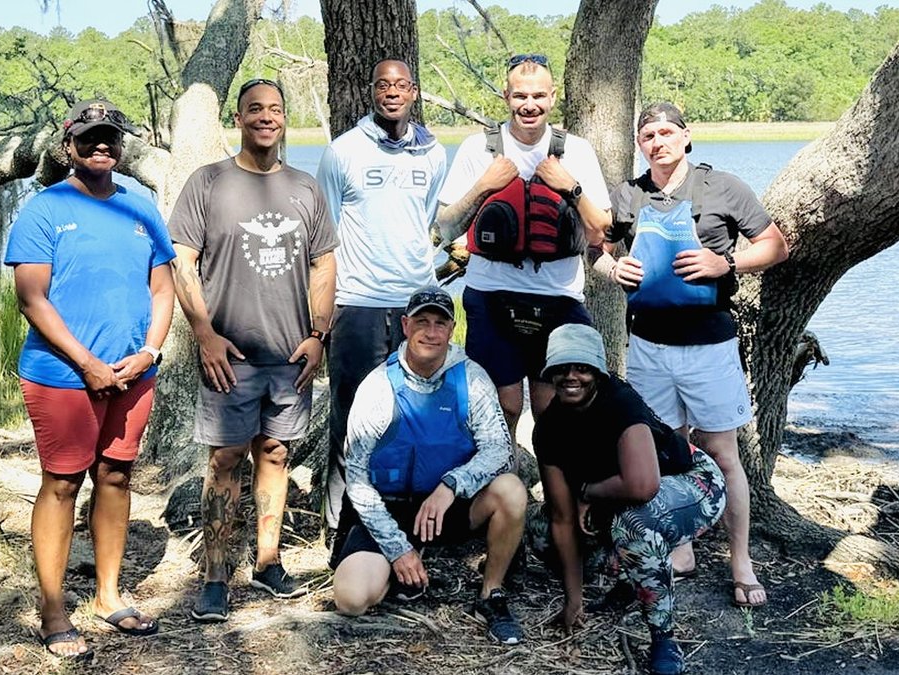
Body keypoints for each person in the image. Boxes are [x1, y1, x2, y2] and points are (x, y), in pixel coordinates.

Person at [594, 101, 789, 608]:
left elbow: (775, 246)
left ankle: (741, 562)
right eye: (647, 135)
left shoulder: (722, 187)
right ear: (640, 145)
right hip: (649, 348)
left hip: (710, 346)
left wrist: (725, 262)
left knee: (723, 453)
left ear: (686, 136)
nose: (656, 142)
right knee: (668, 450)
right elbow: (596, 248)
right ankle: (681, 551)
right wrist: (611, 271)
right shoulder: (629, 194)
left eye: (665, 132)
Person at [5, 99, 174, 660]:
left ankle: (107, 594)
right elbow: (32, 299)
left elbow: (162, 287)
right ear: (68, 145)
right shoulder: (44, 210)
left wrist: (149, 351)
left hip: (132, 372)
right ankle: (53, 609)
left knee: (117, 475)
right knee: (62, 482)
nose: (102, 146)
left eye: (111, 139)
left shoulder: (142, 204)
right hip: (62, 375)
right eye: (91, 138)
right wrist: (88, 363)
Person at [168, 78, 338, 622]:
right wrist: (204, 334)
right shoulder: (209, 183)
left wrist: (318, 334)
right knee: (224, 459)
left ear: (285, 119)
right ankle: (216, 574)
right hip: (230, 357)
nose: (266, 117)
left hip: (290, 358)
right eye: (255, 109)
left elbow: (324, 263)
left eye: (275, 109)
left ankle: (267, 561)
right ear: (238, 119)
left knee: (276, 454)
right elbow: (182, 262)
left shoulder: (306, 188)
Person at [332, 285, 528, 645]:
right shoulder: (378, 385)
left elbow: (500, 449)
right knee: (351, 599)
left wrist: (452, 485)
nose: (431, 332)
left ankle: (492, 594)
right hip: (389, 509)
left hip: (446, 507)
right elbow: (357, 478)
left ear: (452, 329)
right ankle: (403, 567)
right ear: (405, 326)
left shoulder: (471, 378)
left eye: (440, 323)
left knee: (511, 491)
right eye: (422, 321)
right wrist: (397, 548)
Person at [435, 53, 612, 440]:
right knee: (504, 405)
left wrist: (570, 186)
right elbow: (446, 227)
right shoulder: (476, 149)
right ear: (506, 96)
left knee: (554, 409)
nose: (528, 105)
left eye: (537, 96)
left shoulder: (576, 151)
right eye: (519, 96)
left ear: (552, 97)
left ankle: (556, 498)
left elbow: (601, 231)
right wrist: (485, 184)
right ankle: (502, 492)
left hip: (558, 296)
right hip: (491, 295)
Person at [534, 324, 727, 675]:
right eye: (561, 369)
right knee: (538, 527)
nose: (571, 376)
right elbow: (562, 517)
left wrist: (587, 492)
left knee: (635, 524)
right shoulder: (548, 427)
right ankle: (627, 578)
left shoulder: (620, 402)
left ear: (597, 371)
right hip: (619, 494)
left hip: (693, 482)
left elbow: (642, 486)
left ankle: (663, 637)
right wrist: (573, 598)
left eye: (581, 367)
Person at [315, 58, 448, 538]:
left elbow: (426, 219)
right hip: (358, 301)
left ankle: (400, 516)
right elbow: (325, 231)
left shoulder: (433, 154)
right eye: (383, 85)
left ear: (414, 92)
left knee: (409, 409)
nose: (392, 92)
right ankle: (341, 523)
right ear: (372, 92)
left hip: (414, 301)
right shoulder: (342, 152)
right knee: (350, 413)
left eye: (401, 85)